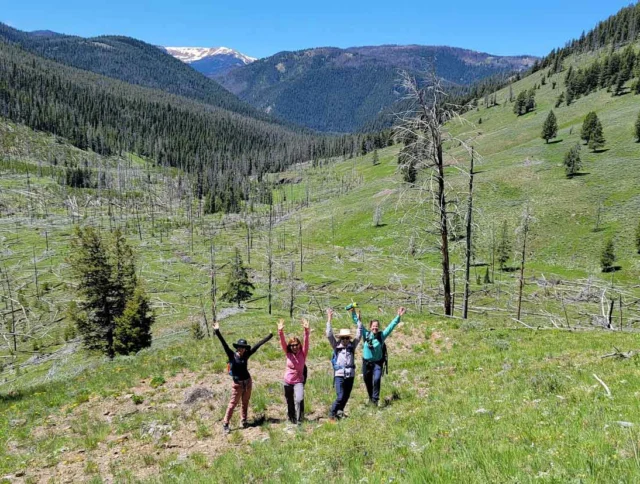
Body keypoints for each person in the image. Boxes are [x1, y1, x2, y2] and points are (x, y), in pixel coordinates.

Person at [213, 321, 273, 434]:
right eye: (240, 347)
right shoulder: (231, 355)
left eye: (243, 348)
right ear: (237, 348)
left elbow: (257, 345)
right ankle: (226, 423)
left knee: (245, 402)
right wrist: (217, 331)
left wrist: (269, 336)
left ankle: (244, 420)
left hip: (248, 382)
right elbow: (224, 344)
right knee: (232, 404)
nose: (241, 349)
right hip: (237, 384)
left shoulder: (246, 355)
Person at [349, 306, 406, 406]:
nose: (375, 328)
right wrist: (353, 312)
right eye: (373, 326)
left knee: (377, 379)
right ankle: (371, 399)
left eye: (376, 326)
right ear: (370, 327)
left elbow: (391, 326)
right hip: (366, 363)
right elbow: (358, 323)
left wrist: (398, 316)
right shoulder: (366, 334)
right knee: (367, 382)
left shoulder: (381, 336)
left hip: (377, 363)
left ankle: (375, 399)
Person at [326, 308, 362, 420]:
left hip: (350, 374)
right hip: (340, 374)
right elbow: (329, 334)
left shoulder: (352, 346)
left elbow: (359, 334)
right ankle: (332, 414)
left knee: (346, 396)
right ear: (340, 338)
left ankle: (339, 412)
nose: (345, 340)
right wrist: (329, 319)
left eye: (347, 338)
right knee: (340, 395)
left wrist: (359, 322)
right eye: (343, 338)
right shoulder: (336, 346)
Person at [278, 318, 310, 425]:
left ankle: (300, 419)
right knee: (289, 401)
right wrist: (280, 332)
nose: (294, 347)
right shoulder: (288, 353)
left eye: (296, 345)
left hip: (299, 381)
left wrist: (306, 331)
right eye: (292, 345)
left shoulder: (303, 353)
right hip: (288, 381)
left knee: (299, 399)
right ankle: (291, 418)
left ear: (299, 345)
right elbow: (282, 343)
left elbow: (306, 342)